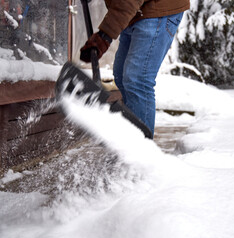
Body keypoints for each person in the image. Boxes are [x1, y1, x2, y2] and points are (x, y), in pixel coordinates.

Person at [80, 0, 190, 138]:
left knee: (137, 80)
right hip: (136, 11)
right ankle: (131, 138)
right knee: (120, 75)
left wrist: (104, 36)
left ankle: (141, 150)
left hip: (156, 10)